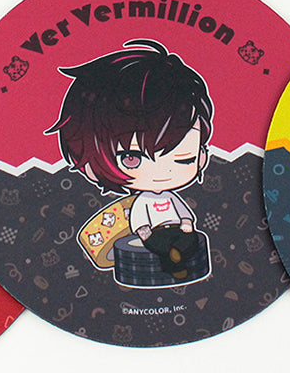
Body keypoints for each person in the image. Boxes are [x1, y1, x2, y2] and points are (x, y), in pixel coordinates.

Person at [48, 39, 213, 280]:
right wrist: (144, 232)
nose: (161, 174)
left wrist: (187, 223)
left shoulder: (171, 199)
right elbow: (138, 221)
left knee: (188, 241)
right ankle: (173, 264)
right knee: (157, 245)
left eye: (183, 160)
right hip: (156, 236)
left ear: (201, 156)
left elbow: (183, 213)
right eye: (132, 159)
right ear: (92, 166)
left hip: (177, 232)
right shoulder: (141, 202)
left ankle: (180, 261)